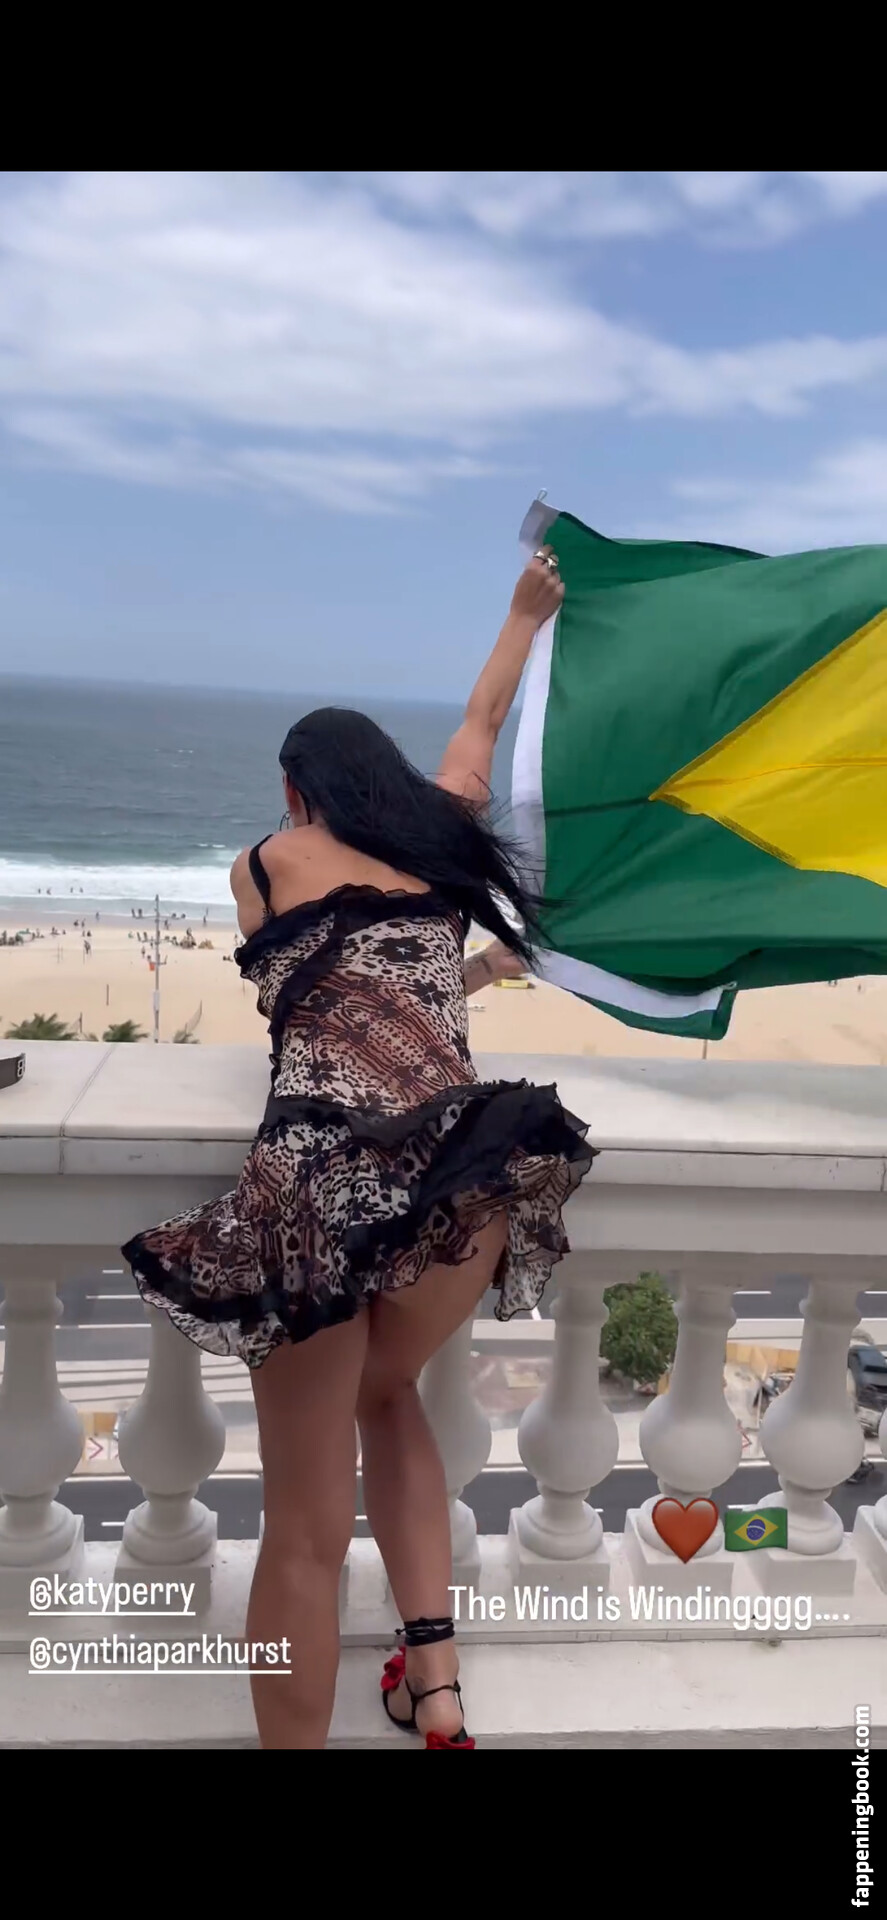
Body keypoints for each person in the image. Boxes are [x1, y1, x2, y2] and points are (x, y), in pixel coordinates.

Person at [122, 547, 593, 1751]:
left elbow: (303, 999)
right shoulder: (437, 843)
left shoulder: (263, 863)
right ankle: (433, 1690)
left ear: (295, 792)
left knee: (303, 1532)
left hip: (325, 1182)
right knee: (388, 1393)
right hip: (461, 1174)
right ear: (380, 779)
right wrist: (522, 613)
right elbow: (480, 724)